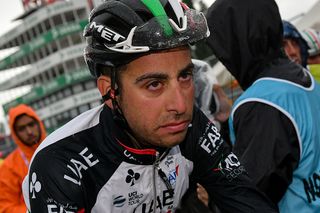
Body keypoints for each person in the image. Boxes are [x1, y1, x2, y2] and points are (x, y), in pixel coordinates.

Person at [22, 1, 278, 212]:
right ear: (109, 91)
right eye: (154, 84)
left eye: (185, 76)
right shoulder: (60, 163)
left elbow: (247, 201)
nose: (180, 105)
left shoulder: (190, 127)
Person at [206, 0, 320, 212]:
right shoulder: (302, 77)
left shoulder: (261, 102)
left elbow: (251, 197)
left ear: (234, 41)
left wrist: (214, 196)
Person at [0, 104, 46, 213]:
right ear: (15, 133)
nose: (29, 132)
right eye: (22, 129)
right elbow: (6, 207)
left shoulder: (59, 148)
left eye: (31, 124)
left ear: (39, 123)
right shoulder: (9, 167)